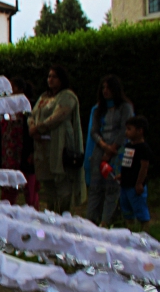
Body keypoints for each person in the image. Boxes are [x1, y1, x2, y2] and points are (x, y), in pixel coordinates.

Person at [29, 65, 85, 214]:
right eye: (49, 76)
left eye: (54, 76)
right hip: (42, 146)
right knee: (48, 184)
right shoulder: (44, 97)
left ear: (61, 79)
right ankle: (51, 211)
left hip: (59, 145)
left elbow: (58, 116)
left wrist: (39, 127)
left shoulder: (67, 96)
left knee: (62, 183)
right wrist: (32, 127)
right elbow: (32, 114)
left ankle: (62, 213)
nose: (50, 79)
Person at [86, 75, 134, 226]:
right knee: (95, 186)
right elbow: (94, 131)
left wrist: (112, 148)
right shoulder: (98, 109)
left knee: (111, 187)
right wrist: (104, 146)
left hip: (118, 150)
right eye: (103, 88)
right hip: (101, 147)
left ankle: (106, 221)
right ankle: (90, 220)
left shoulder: (125, 107)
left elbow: (124, 129)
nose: (105, 91)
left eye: (108, 88)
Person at [0, 78, 39, 208]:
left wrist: (33, 151)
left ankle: (33, 212)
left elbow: (32, 131)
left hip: (24, 152)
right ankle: (7, 208)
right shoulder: (6, 107)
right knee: (9, 185)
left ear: (21, 90)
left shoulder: (29, 107)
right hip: (9, 154)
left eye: (13, 88)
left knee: (29, 186)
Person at [118, 115, 151, 232]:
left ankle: (145, 233)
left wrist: (139, 183)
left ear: (140, 131)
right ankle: (129, 231)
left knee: (140, 210)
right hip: (125, 184)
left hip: (135, 186)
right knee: (127, 210)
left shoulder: (143, 148)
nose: (127, 132)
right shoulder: (128, 146)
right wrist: (122, 175)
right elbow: (127, 164)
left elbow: (144, 167)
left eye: (129, 129)